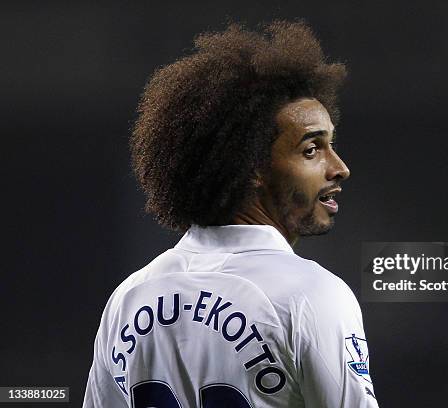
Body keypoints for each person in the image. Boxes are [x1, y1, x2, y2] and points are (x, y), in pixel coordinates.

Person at [83, 20, 378, 407]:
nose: (339, 167)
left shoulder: (129, 298)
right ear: (251, 165)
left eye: (331, 145)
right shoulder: (311, 296)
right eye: (311, 150)